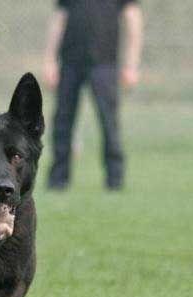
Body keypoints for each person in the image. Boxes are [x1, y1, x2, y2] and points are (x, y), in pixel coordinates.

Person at [44, 0, 143, 190]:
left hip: (104, 64)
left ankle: (115, 180)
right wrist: (50, 61)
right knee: (62, 122)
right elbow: (59, 19)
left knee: (109, 123)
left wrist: (131, 64)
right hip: (70, 62)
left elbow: (133, 19)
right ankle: (58, 180)